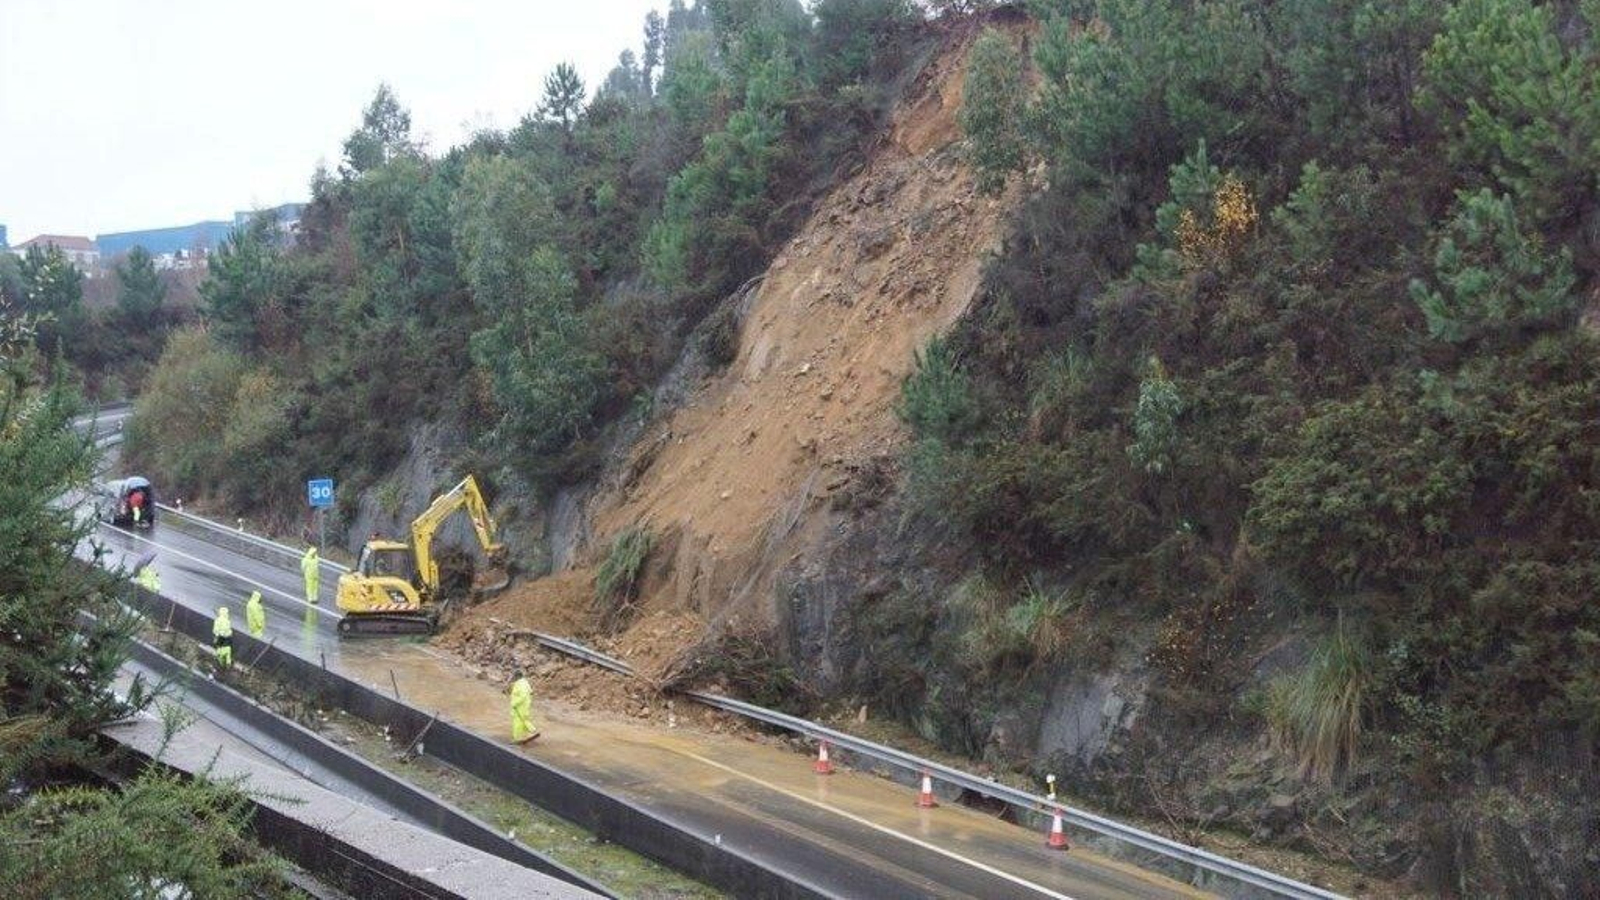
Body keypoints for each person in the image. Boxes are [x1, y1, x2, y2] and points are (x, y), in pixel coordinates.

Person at [509, 668, 539, 744]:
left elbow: (523, 695)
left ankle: (520, 737)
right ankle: (527, 734)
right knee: (523, 720)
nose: (513, 678)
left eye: (514, 676)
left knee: (518, 722)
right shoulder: (524, 682)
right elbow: (530, 692)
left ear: (517, 676)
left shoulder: (520, 684)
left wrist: (514, 703)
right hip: (523, 705)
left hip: (520, 706)